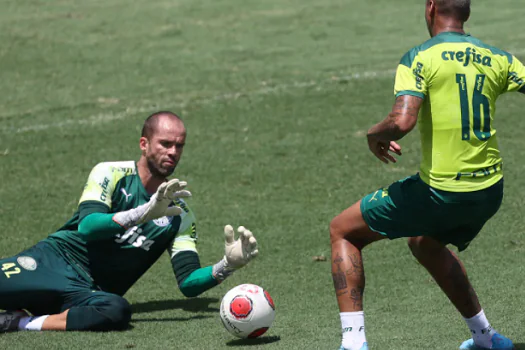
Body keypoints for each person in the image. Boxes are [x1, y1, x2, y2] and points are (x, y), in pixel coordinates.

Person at [330, 0, 525, 349]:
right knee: (424, 242)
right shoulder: (498, 57)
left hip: (441, 194)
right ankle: (486, 338)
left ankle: (353, 344)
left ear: (431, 7)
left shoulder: (419, 57)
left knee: (343, 230)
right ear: (466, 12)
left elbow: (402, 122)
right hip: (489, 191)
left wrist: (376, 134)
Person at [0, 111, 258, 332]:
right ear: (144, 144)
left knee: (117, 310)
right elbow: (88, 226)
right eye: (165, 144)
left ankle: (19, 323)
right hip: (52, 263)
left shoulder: (179, 214)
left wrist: (227, 266)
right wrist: (142, 213)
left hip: (86, 293)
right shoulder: (111, 173)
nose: (173, 152)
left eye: (179, 146)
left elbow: (188, 283)